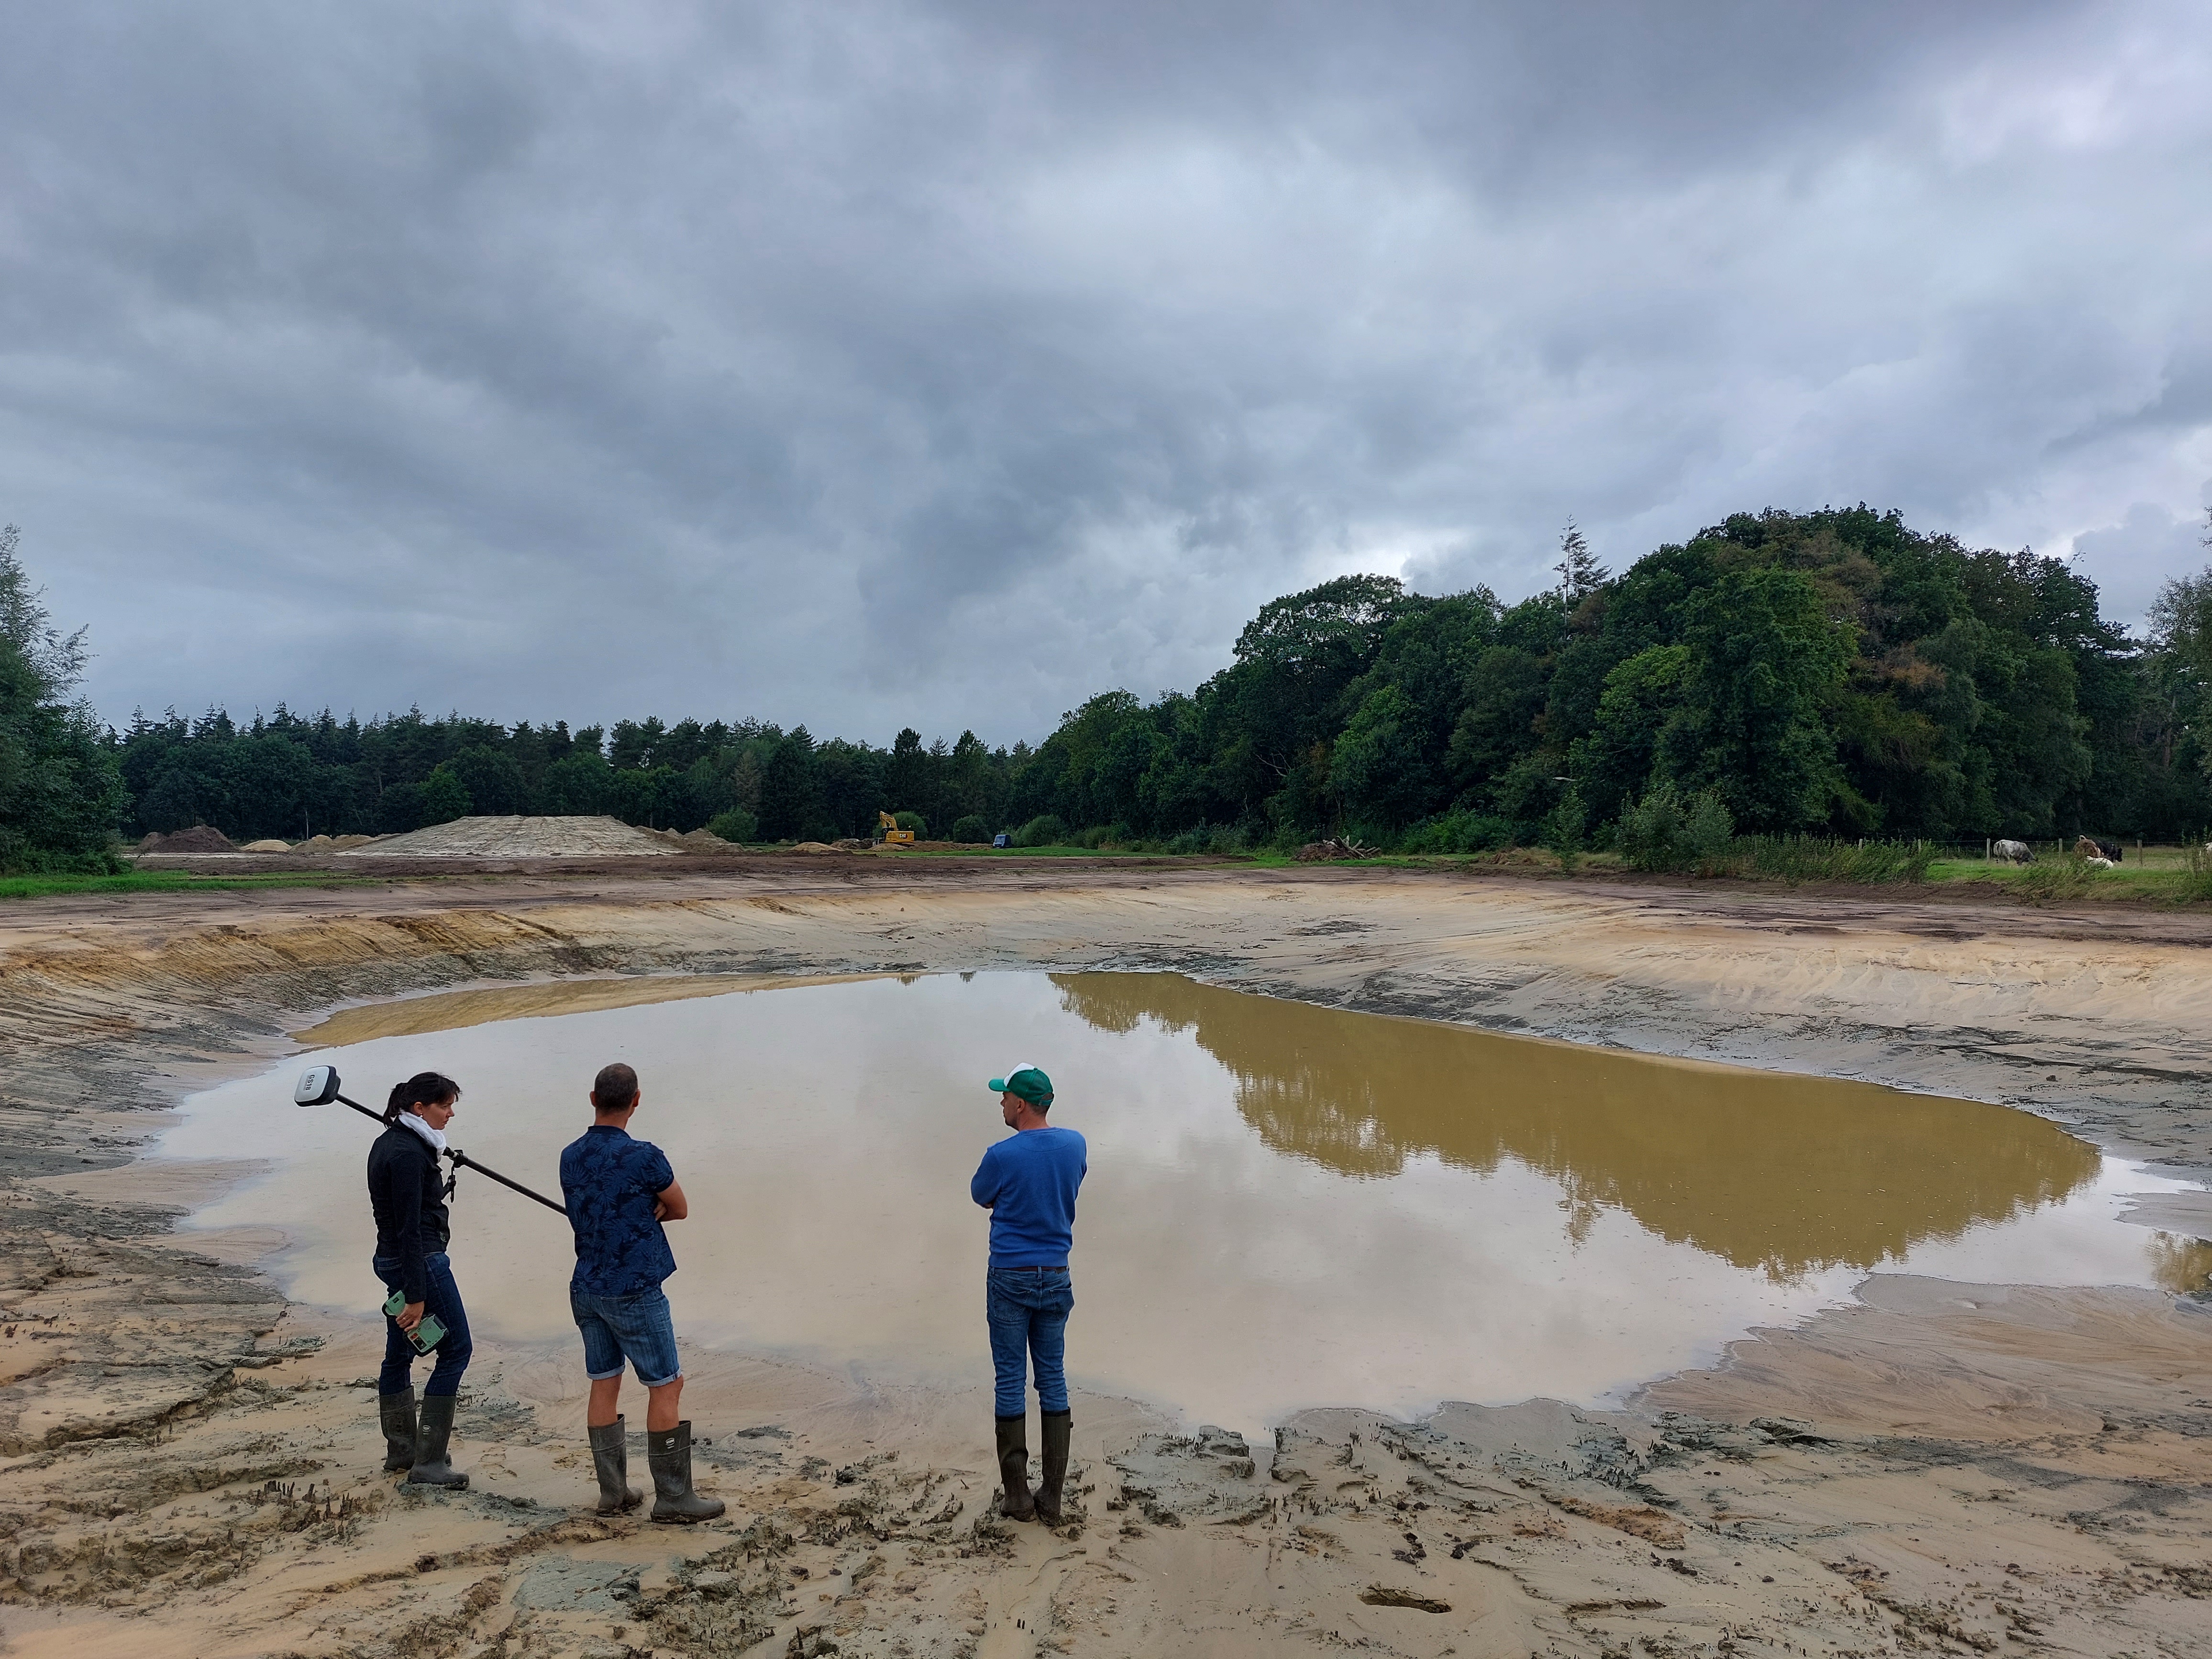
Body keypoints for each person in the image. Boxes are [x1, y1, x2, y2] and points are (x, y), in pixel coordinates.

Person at [558, 1062, 724, 1523]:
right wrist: (650, 1212)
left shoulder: (570, 1155)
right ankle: (673, 1498)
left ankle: (614, 1494)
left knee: (604, 1381)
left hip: (586, 1286)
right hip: (633, 1289)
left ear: (593, 1099)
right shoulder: (645, 1156)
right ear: (636, 1101)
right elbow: (680, 1208)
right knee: (667, 1384)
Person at [970, 1063, 1085, 1524]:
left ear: (1020, 1104)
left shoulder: (1000, 1155)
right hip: (1056, 1273)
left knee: (1010, 1379)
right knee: (1052, 1376)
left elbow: (982, 1196)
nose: (1000, 1103)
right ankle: (1052, 1496)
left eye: (1004, 1097)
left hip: (1010, 1276)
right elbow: (1068, 1186)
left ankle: (1017, 1496)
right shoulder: (1075, 1144)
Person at [366, 1071, 473, 1489]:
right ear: (419, 1108)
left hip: (390, 1260)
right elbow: (410, 1228)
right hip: (420, 1262)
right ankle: (429, 1465)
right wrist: (416, 1296)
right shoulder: (409, 1154)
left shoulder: (390, 1143)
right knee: (456, 1351)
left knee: (399, 1355)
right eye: (444, 1106)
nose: (449, 1114)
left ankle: (403, 1451)